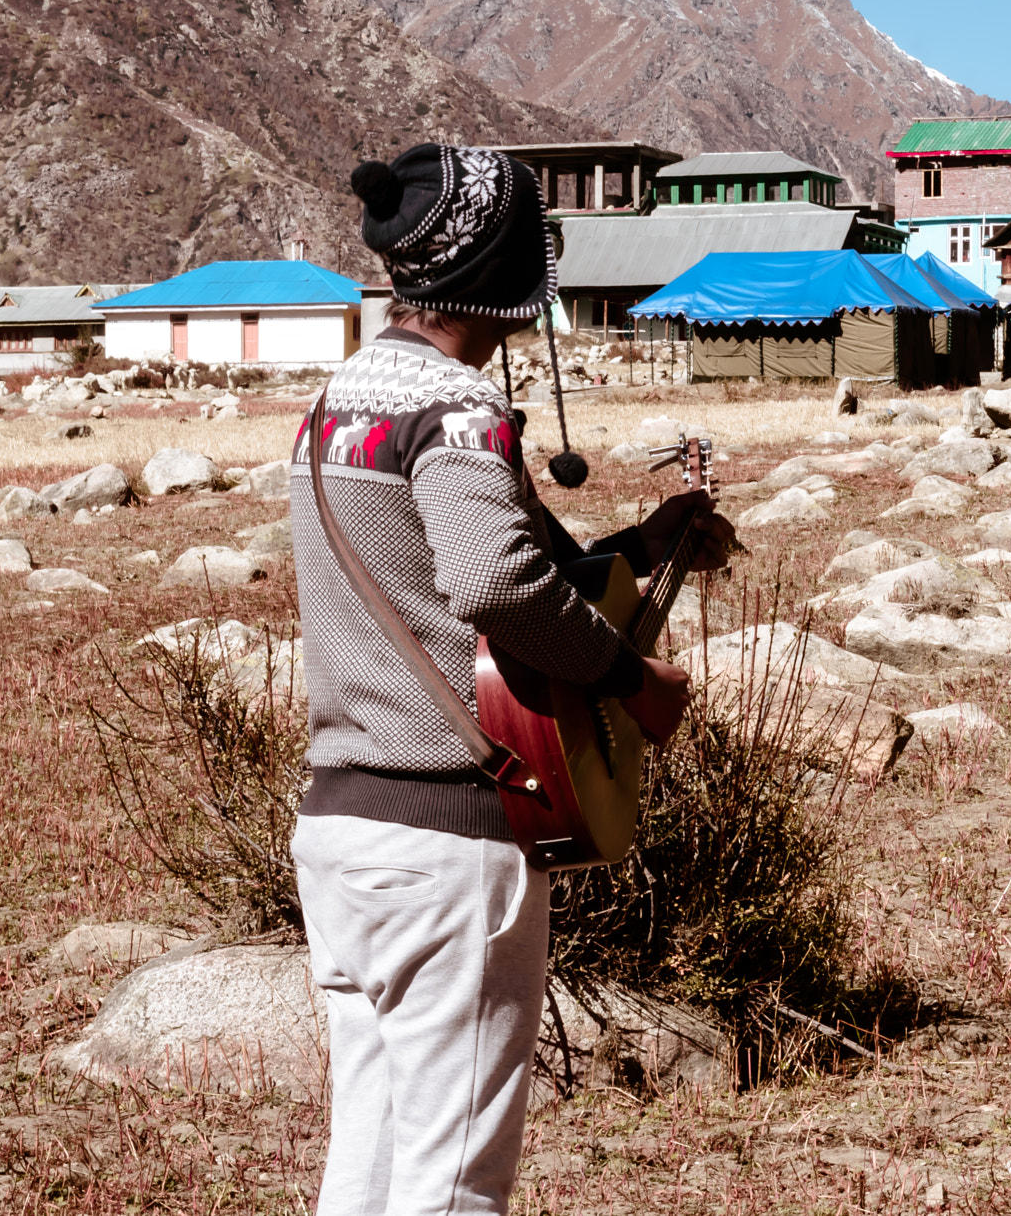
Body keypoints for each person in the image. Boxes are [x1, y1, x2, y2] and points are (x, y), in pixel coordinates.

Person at [288, 143, 733, 1216]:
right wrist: (632, 679)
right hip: (449, 843)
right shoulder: (457, 411)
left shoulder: (339, 402)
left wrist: (647, 537)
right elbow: (492, 581)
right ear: (510, 268)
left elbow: (470, 575)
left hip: (345, 832)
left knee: (370, 1160)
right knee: (452, 1185)